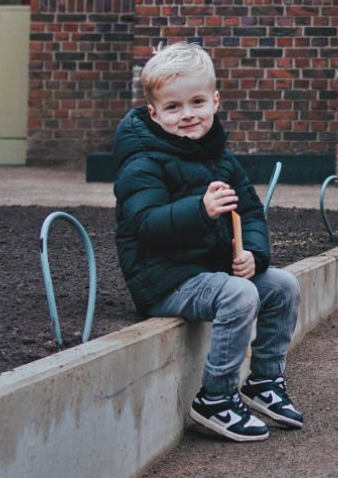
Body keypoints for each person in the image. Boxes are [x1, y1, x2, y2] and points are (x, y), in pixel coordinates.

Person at [112, 42, 303, 442]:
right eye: (173, 107)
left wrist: (253, 254)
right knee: (238, 295)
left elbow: (249, 212)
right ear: (154, 112)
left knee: (282, 285)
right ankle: (215, 397)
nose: (187, 115)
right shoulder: (142, 161)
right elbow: (146, 224)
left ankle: (264, 381)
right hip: (165, 280)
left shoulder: (220, 157)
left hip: (209, 271)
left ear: (215, 101)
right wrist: (199, 210)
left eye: (197, 102)